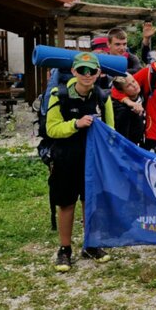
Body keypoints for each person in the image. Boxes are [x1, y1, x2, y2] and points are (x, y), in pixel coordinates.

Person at [46, 52, 115, 272]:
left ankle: (91, 245)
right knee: (66, 204)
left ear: (98, 73)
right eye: (82, 70)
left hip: (92, 159)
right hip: (65, 158)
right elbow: (51, 129)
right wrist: (76, 124)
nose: (87, 74)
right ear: (74, 71)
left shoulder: (103, 97)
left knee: (90, 202)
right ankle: (65, 249)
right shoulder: (59, 95)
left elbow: (110, 131)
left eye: (92, 70)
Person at [110, 73, 145, 146]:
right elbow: (123, 139)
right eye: (128, 86)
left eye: (133, 81)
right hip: (131, 147)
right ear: (121, 91)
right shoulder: (122, 110)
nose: (134, 85)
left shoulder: (142, 94)